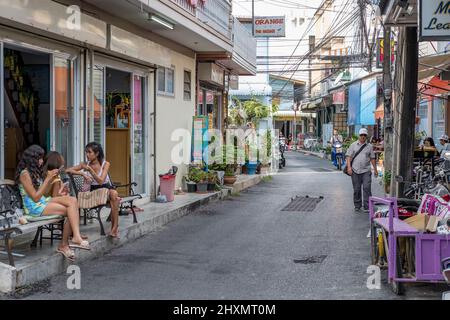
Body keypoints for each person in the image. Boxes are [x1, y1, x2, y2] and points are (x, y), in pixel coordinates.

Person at [15, 145, 90, 261]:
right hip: (34, 208)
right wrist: (48, 179)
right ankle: (65, 244)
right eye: (39, 158)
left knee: (73, 201)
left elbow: (42, 194)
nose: (41, 161)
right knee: (70, 210)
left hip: (42, 201)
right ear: (32, 159)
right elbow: (35, 198)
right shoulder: (24, 174)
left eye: (41, 158)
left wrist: (58, 187)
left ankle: (75, 236)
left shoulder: (34, 172)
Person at [67, 142, 121, 238]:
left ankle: (114, 228)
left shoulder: (105, 164)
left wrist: (90, 171)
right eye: (86, 152)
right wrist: (82, 174)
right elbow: (67, 170)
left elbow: (101, 181)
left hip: (106, 188)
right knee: (115, 196)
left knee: (114, 194)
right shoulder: (85, 164)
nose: (87, 155)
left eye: (89, 152)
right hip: (94, 192)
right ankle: (115, 228)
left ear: (97, 154)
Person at [346, 128, 378, 213]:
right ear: (359, 136)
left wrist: (375, 169)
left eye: (364, 135)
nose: (363, 136)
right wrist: (349, 167)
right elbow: (348, 157)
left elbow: (372, 158)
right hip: (355, 170)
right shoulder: (353, 145)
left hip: (366, 170)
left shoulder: (369, 146)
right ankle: (357, 205)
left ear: (366, 136)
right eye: (361, 135)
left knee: (367, 188)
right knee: (356, 189)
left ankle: (367, 206)